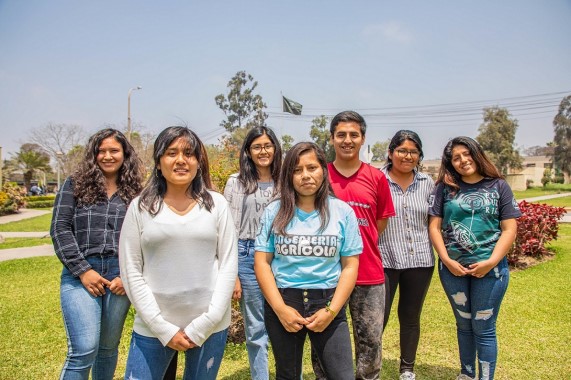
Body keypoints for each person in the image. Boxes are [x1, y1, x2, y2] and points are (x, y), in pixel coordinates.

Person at [119, 126, 237, 380]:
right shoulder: (140, 207)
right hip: (153, 328)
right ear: (159, 162)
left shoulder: (217, 204)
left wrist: (206, 323)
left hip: (211, 326)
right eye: (171, 153)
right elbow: (131, 271)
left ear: (198, 163)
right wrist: (162, 327)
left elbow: (228, 265)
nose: (181, 160)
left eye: (189, 153)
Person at [254, 142, 362, 380]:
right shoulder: (274, 212)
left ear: (323, 169)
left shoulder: (343, 212)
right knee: (288, 374)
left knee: (342, 375)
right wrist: (280, 309)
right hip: (284, 301)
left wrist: (331, 311)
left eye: (312, 167)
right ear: (288, 175)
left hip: (327, 302)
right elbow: (262, 262)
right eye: (297, 170)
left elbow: (350, 266)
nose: (305, 176)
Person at [50, 128, 144, 380]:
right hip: (80, 274)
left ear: (125, 154)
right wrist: (83, 271)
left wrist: (128, 276)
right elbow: (59, 229)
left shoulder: (137, 191)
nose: (107, 156)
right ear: (93, 155)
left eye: (114, 150)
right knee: (83, 349)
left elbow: (145, 237)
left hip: (120, 277)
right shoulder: (75, 184)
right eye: (101, 151)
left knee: (107, 349)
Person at [428, 136, 520, 380]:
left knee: (484, 327)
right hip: (452, 269)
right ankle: (467, 375)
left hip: (491, 271)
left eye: (466, 154)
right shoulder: (444, 188)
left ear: (476, 154)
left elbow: (509, 229)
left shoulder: (498, 186)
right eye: (456, 158)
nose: (462, 161)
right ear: (451, 163)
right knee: (464, 324)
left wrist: (491, 262)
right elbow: (434, 227)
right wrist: (447, 261)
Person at [315, 110, 395, 380]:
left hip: (368, 274)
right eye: (341, 135)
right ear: (332, 138)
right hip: (325, 273)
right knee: (323, 339)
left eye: (353, 135)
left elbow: (379, 223)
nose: (347, 140)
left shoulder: (377, 178)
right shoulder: (319, 176)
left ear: (362, 139)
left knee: (370, 342)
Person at [223, 126, 282, 380]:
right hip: (246, 254)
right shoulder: (236, 182)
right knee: (256, 327)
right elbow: (226, 229)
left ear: (275, 148)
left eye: (267, 145)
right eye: (257, 146)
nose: (263, 151)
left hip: (282, 256)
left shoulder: (286, 180)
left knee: (285, 323)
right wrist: (233, 272)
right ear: (248, 151)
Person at [378, 130, 435, 380]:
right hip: (385, 259)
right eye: (402, 150)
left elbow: (433, 220)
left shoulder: (427, 182)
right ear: (390, 153)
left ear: (419, 156)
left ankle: (407, 369)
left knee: (411, 317)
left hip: (420, 260)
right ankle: (370, 366)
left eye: (413, 152)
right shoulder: (377, 179)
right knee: (378, 318)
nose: (407, 156)